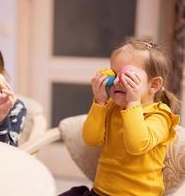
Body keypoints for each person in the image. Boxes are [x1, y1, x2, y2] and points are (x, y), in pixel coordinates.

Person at [60, 38, 180, 196]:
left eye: (127, 77)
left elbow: (136, 145)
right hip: (100, 192)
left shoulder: (160, 115)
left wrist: (133, 102)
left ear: (154, 85)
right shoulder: (111, 107)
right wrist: (99, 102)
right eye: (113, 73)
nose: (115, 81)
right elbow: (91, 138)